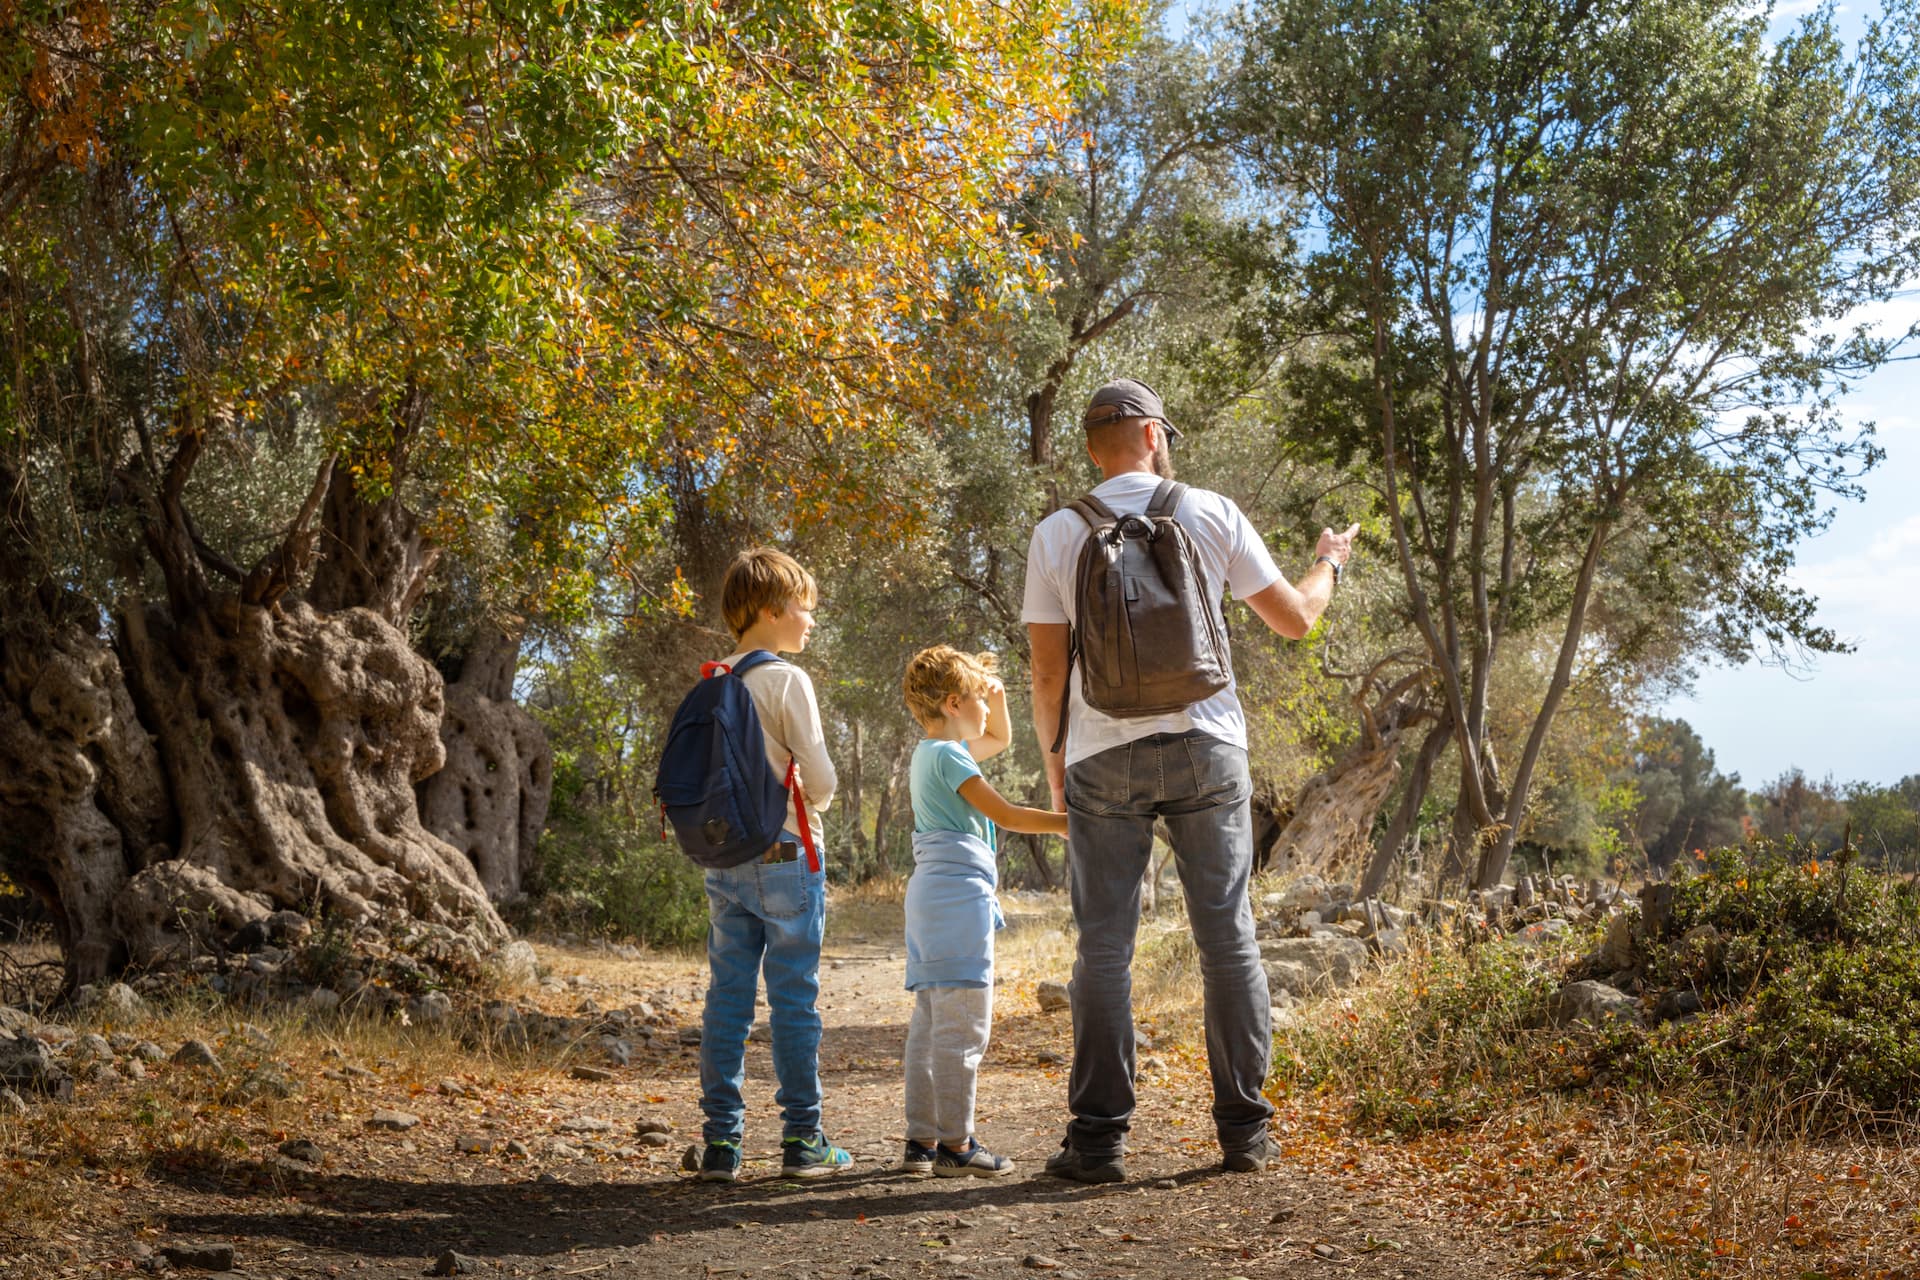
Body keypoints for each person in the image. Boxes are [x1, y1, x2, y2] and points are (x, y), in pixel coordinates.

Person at [1021, 378, 1356, 1182]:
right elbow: (1297, 620)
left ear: (1094, 446)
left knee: (1104, 944)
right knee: (1226, 935)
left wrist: (1056, 767)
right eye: (1163, 430)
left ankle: (1097, 1144)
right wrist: (1328, 562)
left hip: (1102, 753)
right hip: (1208, 745)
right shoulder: (1209, 510)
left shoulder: (1058, 534)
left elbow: (1042, 677)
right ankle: (1245, 1134)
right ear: (1148, 434)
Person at [693, 547, 851, 1182]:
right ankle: (802, 1140)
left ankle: (720, 1145)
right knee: (793, 1001)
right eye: (803, 607)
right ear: (769, 610)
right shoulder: (786, 680)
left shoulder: (711, 679)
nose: (810, 620)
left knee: (727, 999)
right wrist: (814, 800)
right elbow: (820, 777)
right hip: (786, 855)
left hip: (723, 860)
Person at [898, 646, 1069, 1178]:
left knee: (929, 1025)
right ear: (953, 703)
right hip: (957, 902)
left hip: (930, 901)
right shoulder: (950, 756)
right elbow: (1007, 815)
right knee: (964, 1028)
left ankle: (922, 1140)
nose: (986, 710)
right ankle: (957, 1143)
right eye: (978, 699)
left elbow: (998, 739)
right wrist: (1074, 823)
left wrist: (997, 700)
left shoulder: (931, 752)